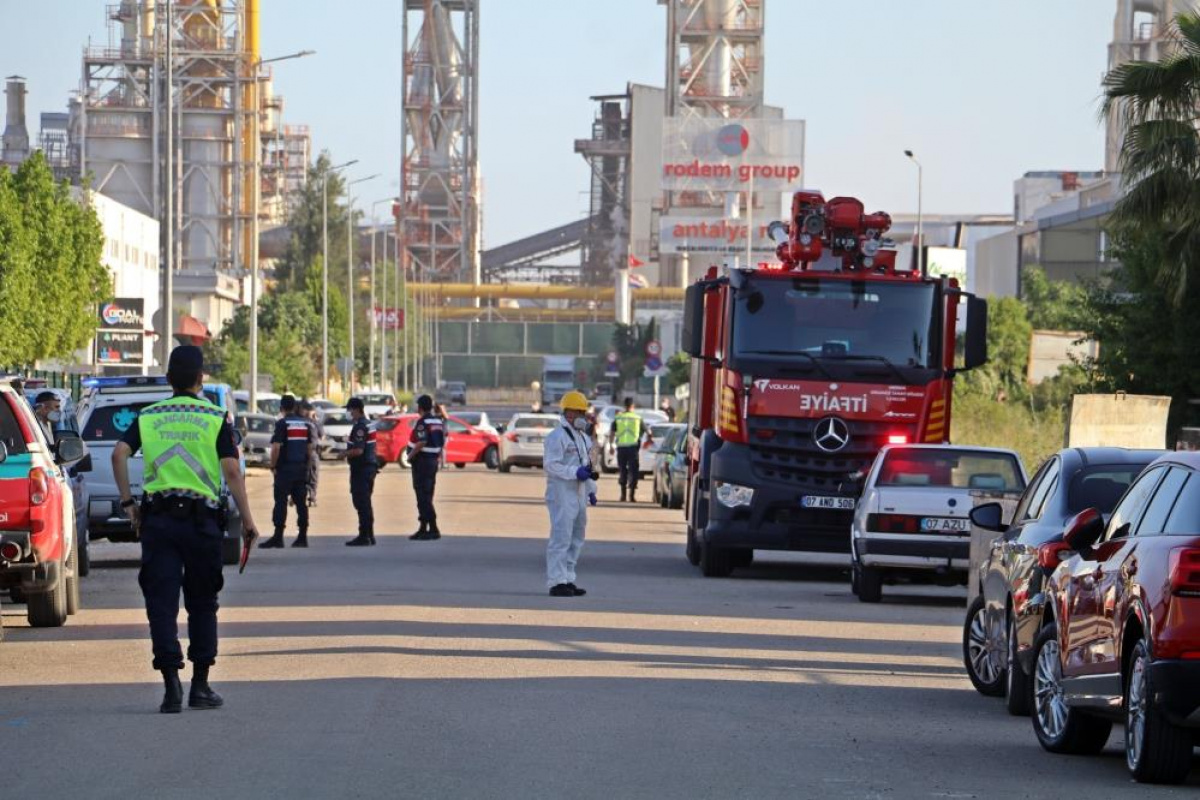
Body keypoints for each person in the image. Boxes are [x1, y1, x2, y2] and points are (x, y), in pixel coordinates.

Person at [111, 345, 260, 713]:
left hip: (158, 522)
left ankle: (171, 688)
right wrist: (248, 520)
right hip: (201, 523)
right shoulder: (215, 417)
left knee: (161, 604)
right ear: (200, 379)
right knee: (202, 603)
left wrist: (129, 505)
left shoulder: (149, 416)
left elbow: (118, 454)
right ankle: (201, 687)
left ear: (168, 379)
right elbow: (231, 471)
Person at [543, 390, 597, 597]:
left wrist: (591, 490)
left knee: (576, 536)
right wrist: (574, 472)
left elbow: (586, 466)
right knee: (561, 537)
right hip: (561, 493)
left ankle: (567, 578)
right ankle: (556, 581)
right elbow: (551, 465)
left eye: (584, 412)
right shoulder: (557, 437)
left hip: (579, 492)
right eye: (580, 412)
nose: (584, 417)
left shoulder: (582, 438)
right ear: (569, 413)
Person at [260, 394, 315, 549]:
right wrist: (307, 467)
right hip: (300, 469)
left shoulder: (282, 424)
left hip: (284, 470)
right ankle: (302, 537)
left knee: (281, 502)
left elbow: (276, 447)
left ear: (281, 408)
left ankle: (278, 537)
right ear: (295, 407)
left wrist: (273, 466)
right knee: (301, 504)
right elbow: (310, 449)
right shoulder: (306, 424)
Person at [408, 394, 445, 541]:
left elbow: (422, 441)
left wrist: (410, 455)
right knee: (426, 495)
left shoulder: (423, 422)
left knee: (423, 497)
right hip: (432, 462)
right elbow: (441, 441)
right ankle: (423, 528)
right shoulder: (437, 421)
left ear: (420, 407)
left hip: (422, 462)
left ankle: (433, 528)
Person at [343, 397, 378, 546]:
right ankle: (369, 535)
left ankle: (364, 536)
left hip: (362, 469)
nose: (349, 413)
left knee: (361, 502)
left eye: (350, 410)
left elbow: (358, 450)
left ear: (357, 409)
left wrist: (343, 453)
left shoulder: (360, 427)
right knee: (366, 503)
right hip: (368, 468)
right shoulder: (369, 424)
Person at [611, 397, 644, 503]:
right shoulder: (637, 418)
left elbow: (612, 432)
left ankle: (623, 495)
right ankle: (632, 496)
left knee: (622, 470)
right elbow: (648, 432)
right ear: (633, 406)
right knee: (633, 471)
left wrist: (611, 445)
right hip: (633, 448)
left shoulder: (618, 418)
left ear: (624, 406)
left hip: (621, 448)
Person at [299, 400, 323, 508]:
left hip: (300, 453)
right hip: (312, 452)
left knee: (301, 475)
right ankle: (312, 497)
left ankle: (297, 497)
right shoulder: (314, 423)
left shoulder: (299, 422)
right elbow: (322, 436)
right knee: (313, 475)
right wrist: (315, 419)